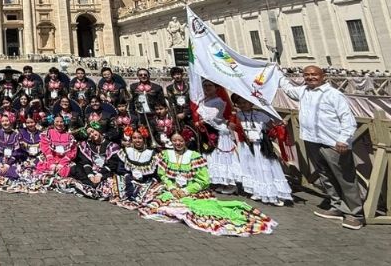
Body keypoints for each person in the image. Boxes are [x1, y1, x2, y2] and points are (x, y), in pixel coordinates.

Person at [138, 132, 276, 237]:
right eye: (175, 141)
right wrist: (173, 188)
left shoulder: (194, 156)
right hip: (172, 188)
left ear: (186, 141)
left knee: (199, 209)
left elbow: (203, 180)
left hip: (191, 190)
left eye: (180, 140)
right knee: (158, 202)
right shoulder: (166, 155)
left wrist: (186, 190)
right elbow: (163, 174)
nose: (177, 143)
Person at [281, 65, 362, 229]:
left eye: (314, 74)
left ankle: (355, 214)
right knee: (325, 175)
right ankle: (336, 206)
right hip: (312, 140)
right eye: (307, 75)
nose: (310, 77)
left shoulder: (333, 94)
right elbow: (288, 90)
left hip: (333, 142)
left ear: (323, 76)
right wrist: (275, 73)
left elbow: (347, 119)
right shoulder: (304, 91)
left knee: (345, 178)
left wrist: (343, 139)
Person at [234, 96, 292, 206]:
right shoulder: (238, 116)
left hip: (261, 145)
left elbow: (272, 127)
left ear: (251, 103)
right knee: (253, 168)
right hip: (247, 146)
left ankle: (274, 194)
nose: (242, 105)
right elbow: (233, 127)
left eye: (245, 102)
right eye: (239, 103)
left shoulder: (261, 115)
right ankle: (259, 191)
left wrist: (280, 126)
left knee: (266, 168)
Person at [196, 80, 240, 194]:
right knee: (214, 157)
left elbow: (212, 118)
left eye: (210, 85)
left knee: (223, 158)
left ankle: (230, 183)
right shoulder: (204, 100)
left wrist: (200, 121)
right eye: (205, 86)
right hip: (209, 131)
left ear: (216, 88)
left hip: (218, 131)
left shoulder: (219, 101)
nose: (207, 88)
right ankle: (220, 182)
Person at [73, 123, 121, 199]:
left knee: (111, 179)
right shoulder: (86, 145)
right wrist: (90, 175)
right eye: (89, 134)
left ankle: (93, 187)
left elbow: (112, 164)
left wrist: (99, 175)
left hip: (105, 172)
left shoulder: (112, 146)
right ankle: (91, 185)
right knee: (76, 168)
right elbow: (85, 161)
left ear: (99, 130)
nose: (92, 135)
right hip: (91, 172)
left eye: (93, 131)